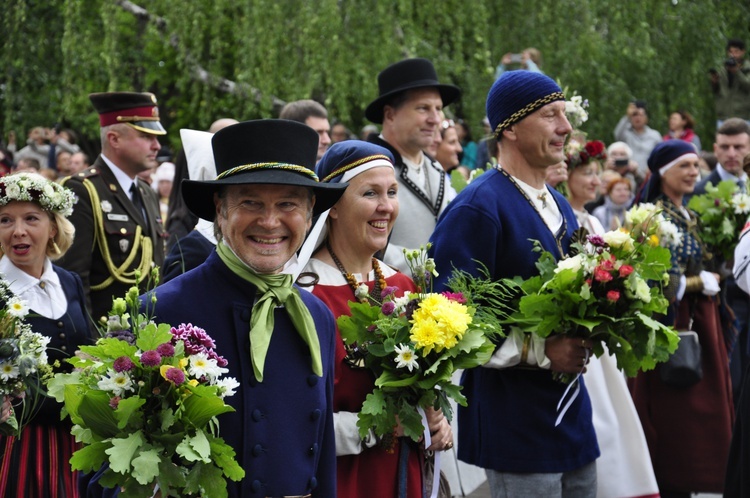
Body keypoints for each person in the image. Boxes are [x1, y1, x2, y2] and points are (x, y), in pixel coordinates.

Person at [92, 119, 346, 498]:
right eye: (250, 202)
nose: (270, 221)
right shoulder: (156, 312)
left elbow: (322, 462)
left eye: (288, 204)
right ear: (220, 210)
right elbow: (103, 472)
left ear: (310, 214)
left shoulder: (317, 317)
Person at [430, 70, 599, 497]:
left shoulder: (558, 203)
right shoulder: (479, 206)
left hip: (571, 414)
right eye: (550, 115)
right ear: (509, 128)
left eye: (565, 114)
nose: (565, 128)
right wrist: (542, 351)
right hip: (516, 424)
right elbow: (451, 317)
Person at [296, 140, 452, 497]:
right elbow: (296, 422)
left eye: (392, 192)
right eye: (370, 193)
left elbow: (422, 386)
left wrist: (435, 418)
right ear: (332, 206)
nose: (386, 206)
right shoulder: (306, 296)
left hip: (406, 474)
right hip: (344, 480)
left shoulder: (402, 284)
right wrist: (379, 427)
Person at [630, 140, 734, 496]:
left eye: (695, 165)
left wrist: (718, 270)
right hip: (675, 327)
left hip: (704, 322)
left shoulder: (690, 212)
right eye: (684, 166)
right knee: (679, 413)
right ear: (663, 173)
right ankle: (674, 479)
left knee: (706, 413)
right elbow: (647, 276)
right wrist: (692, 282)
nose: (693, 172)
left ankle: (699, 478)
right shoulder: (651, 216)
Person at [564, 143, 661, 498]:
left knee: (611, 412)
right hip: (578, 328)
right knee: (597, 415)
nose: (595, 180)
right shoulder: (568, 220)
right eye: (586, 173)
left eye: (597, 173)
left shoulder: (592, 220)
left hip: (598, 330)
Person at [0, 172, 93, 497]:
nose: (18, 230)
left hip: (76, 440)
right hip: (16, 447)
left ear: (53, 226)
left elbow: (90, 348)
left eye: (31, 218)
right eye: (6, 220)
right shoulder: (0, 290)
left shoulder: (68, 282)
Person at [56, 92, 167, 323]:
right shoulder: (83, 190)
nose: (157, 145)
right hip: (104, 339)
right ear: (114, 139)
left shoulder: (146, 192)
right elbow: (73, 277)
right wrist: (87, 344)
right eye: (147, 136)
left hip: (147, 337)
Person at [365, 57, 460, 271]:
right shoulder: (366, 169)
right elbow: (360, 244)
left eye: (438, 108)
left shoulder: (434, 168)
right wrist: (430, 268)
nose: (435, 119)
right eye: (423, 108)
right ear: (390, 115)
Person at [614, 101, 663, 175]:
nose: (638, 118)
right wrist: (627, 115)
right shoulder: (626, 134)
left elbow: (660, 155)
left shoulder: (655, 135)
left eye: (641, 115)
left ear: (646, 118)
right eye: (634, 115)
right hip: (628, 175)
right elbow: (617, 135)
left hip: (648, 176)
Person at [710, 39, 750, 127]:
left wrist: (737, 72)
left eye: (736, 52)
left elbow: (748, 86)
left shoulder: (748, 69)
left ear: (743, 52)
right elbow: (716, 91)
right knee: (723, 141)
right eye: (731, 52)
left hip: (742, 117)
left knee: (743, 141)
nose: (733, 55)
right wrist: (714, 82)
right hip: (723, 117)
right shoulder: (723, 70)